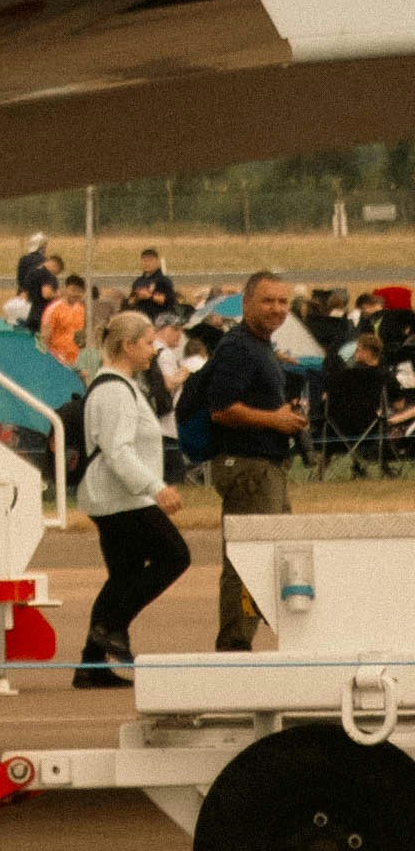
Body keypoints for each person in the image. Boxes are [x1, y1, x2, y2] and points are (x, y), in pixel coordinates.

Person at [195, 274, 312, 649]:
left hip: (265, 468)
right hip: (248, 469)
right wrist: (275, 420)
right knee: (248, 559)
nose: (277, 308)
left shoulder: (259, 347)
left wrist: (283, 416)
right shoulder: (239, 348)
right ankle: (234, 646)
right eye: (267, 301)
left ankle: (252, 640)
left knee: (273, 554)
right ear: (246, 304)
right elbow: (221, 408)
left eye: (283, 301)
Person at [74, 313, 189, 689]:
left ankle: (91, 666)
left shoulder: (119, 386)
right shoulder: (115, 391)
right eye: (148, 342)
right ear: (128, 346)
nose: (153, 350)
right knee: (175, 556)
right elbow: (118, 450)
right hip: (122, 497)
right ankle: (112, 628)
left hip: (116, 496)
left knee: (123, 576)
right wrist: (157, 487)